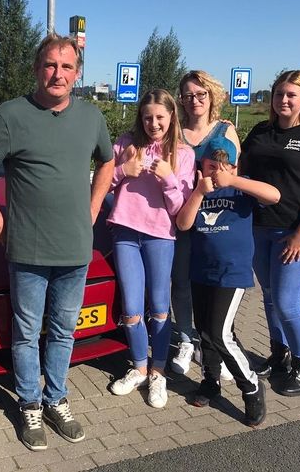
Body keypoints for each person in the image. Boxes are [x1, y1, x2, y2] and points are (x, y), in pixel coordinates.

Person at [0, 33, 114, 451]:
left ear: (77, 73)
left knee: (64, 330)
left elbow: (108, 162)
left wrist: (93, 209)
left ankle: (56, 399)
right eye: (50, 65)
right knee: (27, 332)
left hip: (75, 247)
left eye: (66, 67)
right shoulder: (12, 115)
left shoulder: (91, 117)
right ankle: (29, 403)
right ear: (36, 69)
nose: (57, 74)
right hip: (28, 249)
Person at [240, 70, 300, 396]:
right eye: (279, 93)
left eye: (291, 94)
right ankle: (279, 353)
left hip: (293, 230)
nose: (283, 100)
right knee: (269, 295)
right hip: (258, 228)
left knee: (287, 303)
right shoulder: (260, 131)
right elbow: (241, 171)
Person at [176, 137, 280, 426]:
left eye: (224, 167)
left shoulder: (241, 188)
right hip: (201, 271)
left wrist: (234, 181)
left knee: (221, 333)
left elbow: (274, 195)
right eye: (212, 166)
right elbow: (183, 223)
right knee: (205, 332)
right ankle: (210, 381)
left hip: (231, 273)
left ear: (235, 167)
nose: (217, 173)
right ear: (202, 166)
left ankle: (251, 386)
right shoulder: (197, 189)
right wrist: (199, 191)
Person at [106, 89, 194, 407]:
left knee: (158, 307)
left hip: (160, 236)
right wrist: (122, 170)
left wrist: (168, 179)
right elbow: (100, 185)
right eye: (147, 117)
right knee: (131, 309)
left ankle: (158, 372)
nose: (153, 123)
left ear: (171, 117)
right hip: (125, 233)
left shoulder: (183, 154)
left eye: (159, 117)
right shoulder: (125, 144)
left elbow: (179, 210)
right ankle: (140, 368)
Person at [170, 70, 241, 377]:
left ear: (212, 96)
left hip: (216, 219)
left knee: (215, 283)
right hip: (183, 217)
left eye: (201, 94)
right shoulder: (175, 130)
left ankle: (215, 345)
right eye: (188, 95)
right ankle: (187, 340)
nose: (194, 100)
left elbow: (236, 176)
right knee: (181, 281)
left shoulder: (225, 129)